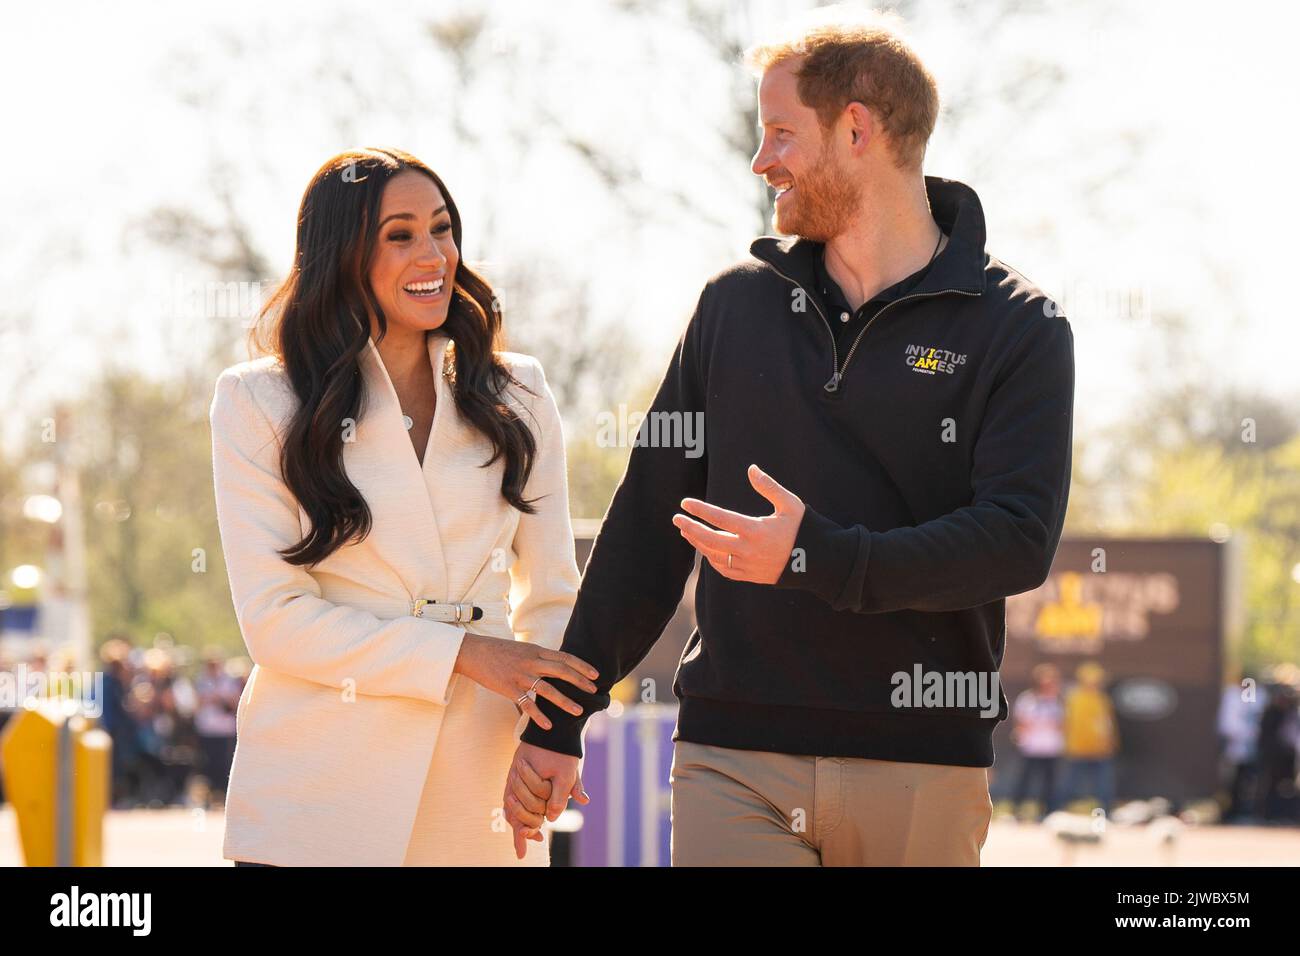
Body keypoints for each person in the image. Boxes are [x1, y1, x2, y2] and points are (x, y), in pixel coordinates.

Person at [503, 10, 1075, 866]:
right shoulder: (731, 306)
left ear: (857, 130)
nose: (762, 160)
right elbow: (648, 525)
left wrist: (817, 555)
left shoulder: (1020, 326)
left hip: (924, 766)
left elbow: (1016, 541)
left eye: (780, 133)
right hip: (732, 759)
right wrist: (559, 720)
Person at [210, 148, 598, 866]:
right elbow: (275, 621)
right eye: (400, 234)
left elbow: (551, 598)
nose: (434, 254)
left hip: (478, 797)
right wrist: (464, 653)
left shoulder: (520, 391)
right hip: (316, 797)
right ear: (342, 253)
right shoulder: (258, 400)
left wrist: (553, 737)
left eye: (443, 228)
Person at [1061, 662, 1118, 817]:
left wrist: (1110, 741)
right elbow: (1067, 722)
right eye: (1092, 679)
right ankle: (1060, 812)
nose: (1095, 683)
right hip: (1078, 749)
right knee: (1069, 784)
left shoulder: (1102, 699)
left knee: (1103, 785)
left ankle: (1106, 814)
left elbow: (1107, 722)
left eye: (1097, 680)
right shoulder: (1073, 698)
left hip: (1100, 750)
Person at [1010, 664, 1065, 820]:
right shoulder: (1027, 699)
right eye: (1044, 682)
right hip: (1030, 748)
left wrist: (1047, 724)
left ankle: (1048, 813)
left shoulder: (1059, 701)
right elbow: (1021, 723)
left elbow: (1062, 724)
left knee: (1050, 783)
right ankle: (1016, 811)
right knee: (1025, 781)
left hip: (1051, 748)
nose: (1048, 685)